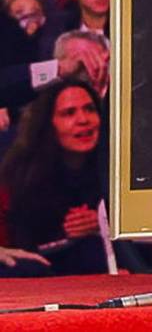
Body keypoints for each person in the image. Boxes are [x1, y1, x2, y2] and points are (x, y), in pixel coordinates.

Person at [0, 78, 108, 275]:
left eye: (90, 109)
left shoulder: (113, 170)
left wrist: (102, 223)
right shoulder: (19, 173)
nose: (83, 120)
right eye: (69, 113)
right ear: (49, 123)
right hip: (40, 269)